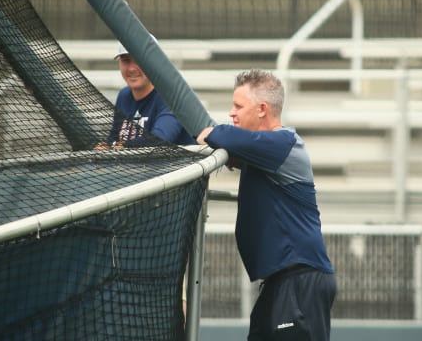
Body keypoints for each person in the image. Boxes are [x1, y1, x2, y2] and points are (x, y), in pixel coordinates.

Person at [196, 69, 336, 341]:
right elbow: (235, 149)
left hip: (300, 277)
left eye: (238, 106)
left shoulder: (284, 143)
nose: (232, 113)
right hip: (280, 280)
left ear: (262, 109)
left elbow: (223, 136)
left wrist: (212, 132)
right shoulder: (262, 151)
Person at [95, 43, 195, 149]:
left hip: (177, 164)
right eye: (126, 60)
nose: (132, 69)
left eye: (139, 60)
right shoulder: (124, 96)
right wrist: (106, 146)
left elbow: (160, 140)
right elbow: (114, 138)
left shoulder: (172, 96)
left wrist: (123, 146)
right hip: (136, 164)